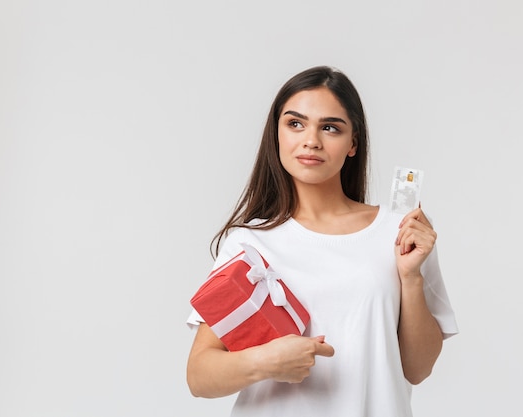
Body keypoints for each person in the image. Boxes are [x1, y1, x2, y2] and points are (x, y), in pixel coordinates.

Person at [186, 65, 458, 417]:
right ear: (277, 134)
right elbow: (199, 375)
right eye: (295, 123)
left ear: (353, 144)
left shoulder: (402, 232)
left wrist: (410, 276)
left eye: (330, 127)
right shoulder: (249, 242)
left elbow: (418, 369)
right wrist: (265, 362)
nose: (311, 140)